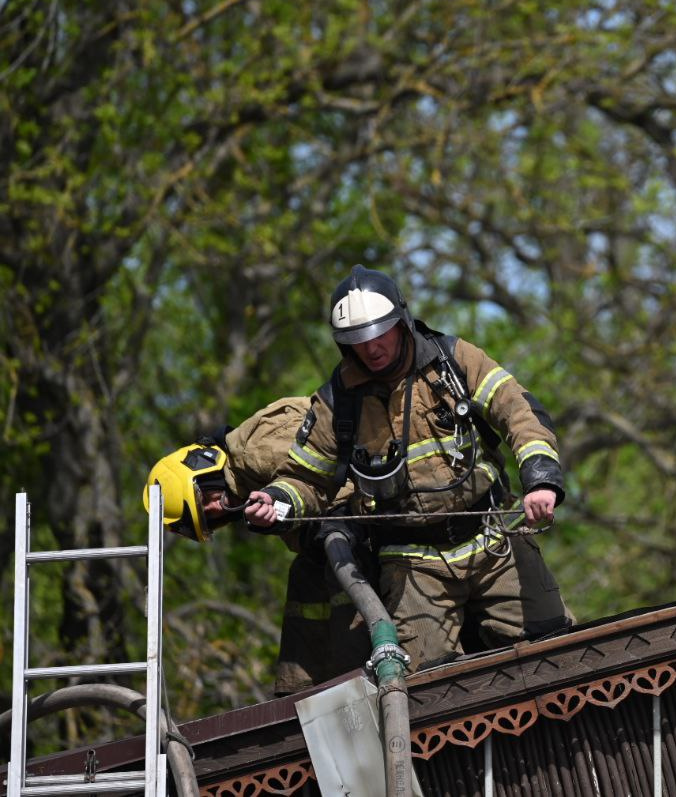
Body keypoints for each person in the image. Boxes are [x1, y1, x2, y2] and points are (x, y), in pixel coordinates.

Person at [246, 265, 572, 670]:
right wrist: (276, 502)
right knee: (427, 690)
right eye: (358, 340)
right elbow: (307, 478)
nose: (371, 348)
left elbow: (519, 411)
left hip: (493, 541)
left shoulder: (454, 361)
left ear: (401, 322)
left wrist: (540, 482)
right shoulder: (337, 402)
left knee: (558, 652)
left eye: (379, 333)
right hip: (412, 564)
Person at [143, 398, 372, 695]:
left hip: (370, 520)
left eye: (207, 499)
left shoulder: (255, 449)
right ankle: (299, 698)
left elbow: (325, 477)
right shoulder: (245, 478)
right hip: (339, 538)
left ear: (202, 466)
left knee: (335, 565)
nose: (220, 508)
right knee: (305, 574)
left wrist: (295, 508)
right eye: (211, 518)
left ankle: (354, 685)